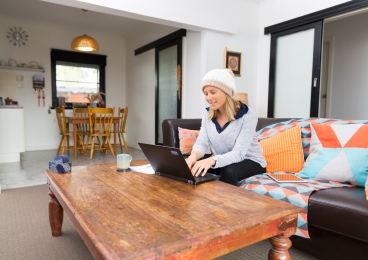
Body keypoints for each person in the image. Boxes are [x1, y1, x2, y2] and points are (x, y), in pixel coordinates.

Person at [185, 68, 266, 186]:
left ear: (226, 92)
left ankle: (223, 204)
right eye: (206, 93)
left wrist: (212, 160)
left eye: (213, 92)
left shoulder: (248, 115)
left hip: (250, 161)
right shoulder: (208, 114)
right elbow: (202, 142)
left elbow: (239, 153)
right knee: (195, 167)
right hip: (223, 160)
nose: (208, 97)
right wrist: (193, 157)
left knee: (229, 171)